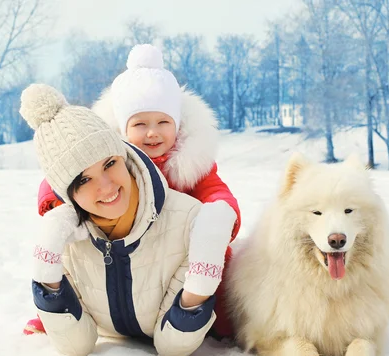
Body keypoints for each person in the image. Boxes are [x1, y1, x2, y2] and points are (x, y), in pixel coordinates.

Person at [24, 44, 240, 338]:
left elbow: (214, 189)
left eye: (163, 122)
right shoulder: (109, 161)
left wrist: (218, 215)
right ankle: (56, 310)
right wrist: (54, 202)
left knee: (219, 261)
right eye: (140, 124)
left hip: (175, 252)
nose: (153, 132)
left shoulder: (189, 163)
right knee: (76, 255)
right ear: (123, 129)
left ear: (177, 124)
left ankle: (222, 314)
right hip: (121, 249)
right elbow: (65, 174)